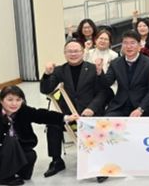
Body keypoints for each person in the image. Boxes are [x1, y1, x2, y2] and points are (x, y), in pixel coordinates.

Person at [39, 39, 110, 177]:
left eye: (76, 51)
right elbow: (45, 90)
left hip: (89, 112)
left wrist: (92, 108)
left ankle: (97, 162)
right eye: (69, 51)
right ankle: (56, 161)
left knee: (96, 125)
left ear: (83, 52)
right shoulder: (59, 70)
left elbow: (103, 91)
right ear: (64, 54)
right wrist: (47, 74)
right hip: (68, 114)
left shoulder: (93, 68)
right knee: (52, 123)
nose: (73, 54)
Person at [0, 86, 76, 186]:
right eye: (10, 100)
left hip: (15, 150)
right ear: (1, 101)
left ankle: (9, 171)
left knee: (30, 157)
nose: (14, 104)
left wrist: (65, 117)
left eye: (18, 100)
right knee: (10, 140)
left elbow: (42, 115)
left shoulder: (23, 110)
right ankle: (4, 177)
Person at [97, 30, 149, 117]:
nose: (129, 46)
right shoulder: (115, 63)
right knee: (108, 120)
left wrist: (141, 109)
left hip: (141, 106)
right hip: (119, 106)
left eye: (132, 43)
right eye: (125, 43)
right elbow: (106, 83)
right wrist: (100, 72)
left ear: (139, 45)